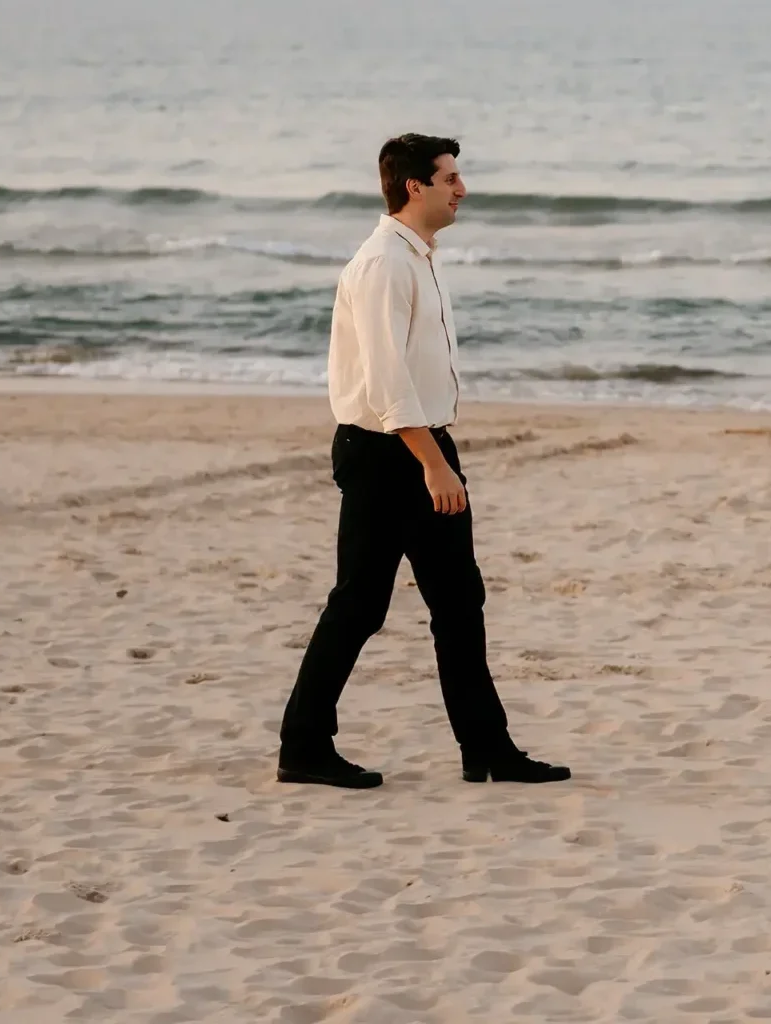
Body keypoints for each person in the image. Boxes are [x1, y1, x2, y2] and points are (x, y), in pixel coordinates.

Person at [276, 133, 568, 789]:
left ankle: (487, 750)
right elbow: (385, 381)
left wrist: (436, 454)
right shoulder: (384, 263)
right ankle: (303, 747)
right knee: (361, 606)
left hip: (416, 444)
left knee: (455, 602)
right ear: (416, 187)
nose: (462, 189)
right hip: (390, 452)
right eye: (450, 178)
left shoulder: (419, 256)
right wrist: (434, 465)